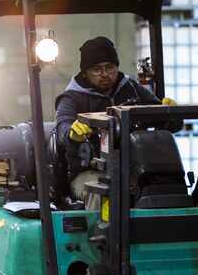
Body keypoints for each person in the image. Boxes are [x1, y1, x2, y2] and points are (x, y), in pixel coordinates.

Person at [55, 36, 171, 203]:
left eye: (110, 67)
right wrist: (72, 133)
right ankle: (99, 230)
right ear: (85, 73)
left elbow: (168, 125)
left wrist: (168, 112)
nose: (104, 75)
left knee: (165, 188)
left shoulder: (131, 89)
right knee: (102, 194)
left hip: (135, 169)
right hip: (89, 172)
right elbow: (62, 128)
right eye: (96, 69)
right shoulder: (71, 98)